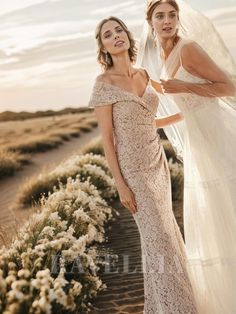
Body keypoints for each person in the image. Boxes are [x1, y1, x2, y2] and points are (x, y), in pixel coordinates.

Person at [88, 16, 198, 313]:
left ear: (127, 35)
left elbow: (148, 120)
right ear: (104, 47)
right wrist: (120, 184)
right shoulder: (104, 84)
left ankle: (166, 305)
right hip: (132, 171)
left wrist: (187, 115)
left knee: (168, 236)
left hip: (156, 162)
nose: (115, 36)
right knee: (158, 237)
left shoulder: (145, 75)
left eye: (119, 30)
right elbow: (108, 139)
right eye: (108, 35)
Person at [137, 0, 236, 313]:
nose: (167, 21)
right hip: (199, 144)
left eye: (172, 15)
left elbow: (229, 86)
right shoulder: (165, 55)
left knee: (228, 204)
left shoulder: (188, 48)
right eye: (160, 16)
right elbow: (186, 108)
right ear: (150, 21)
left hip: (218, 139)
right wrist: (152, 123)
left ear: (178, 18)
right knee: (214, 212)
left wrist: (183, 86)